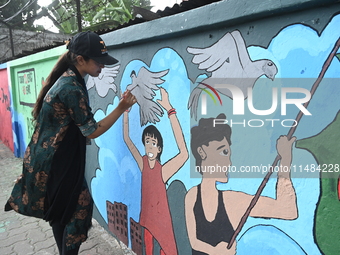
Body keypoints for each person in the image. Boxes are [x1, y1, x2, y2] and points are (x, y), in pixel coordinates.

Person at [4, 31, 136, 255]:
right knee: (79, 209)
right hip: (57, 164)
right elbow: (92, 130)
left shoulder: (69, 78)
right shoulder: (71, 88)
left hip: (52, 161)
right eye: (99, 61)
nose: (102, 66)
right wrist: (121, 108)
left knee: (61, 212)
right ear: (81, 60)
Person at [185, 113, 298, 255]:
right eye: (223, 152)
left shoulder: (232, 201)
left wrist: (285, 160)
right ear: (202, 151)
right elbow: (194, 242)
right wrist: (214, 251)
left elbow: (287, 210)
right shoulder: (192, 196)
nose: (229, 163)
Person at [123, 87, 189, 255]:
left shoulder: (163, 171)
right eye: (147, 142)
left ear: (159, 148)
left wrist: (170, 110)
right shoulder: (143, 163)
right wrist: (125, 111)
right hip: (147, 220)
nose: (149, 146)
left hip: (162, 223)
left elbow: (184, 153)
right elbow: (127, 140)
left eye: (153, 143)